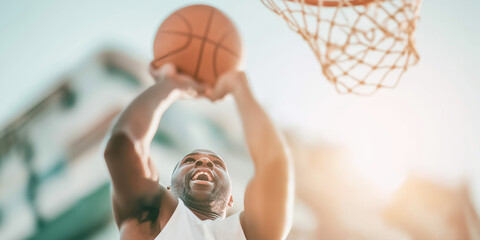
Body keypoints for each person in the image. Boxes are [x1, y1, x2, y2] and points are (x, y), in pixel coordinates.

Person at [104, 63, 294, 239]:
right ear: (169, 187)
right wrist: (170, 85)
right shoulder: (151, 217)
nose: (204, 162)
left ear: (230, 199)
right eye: (189, 161)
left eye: (217, 164)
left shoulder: (251, 231)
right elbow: (122, 148)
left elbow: (274, 165)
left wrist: (240, 87)